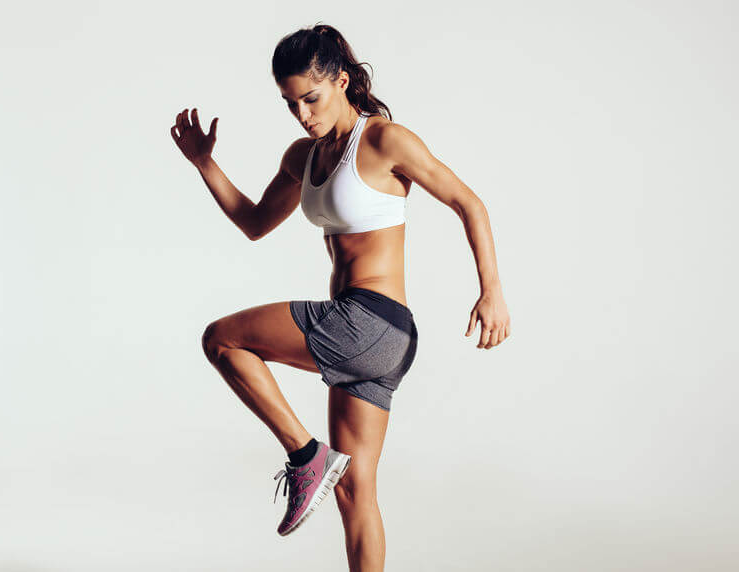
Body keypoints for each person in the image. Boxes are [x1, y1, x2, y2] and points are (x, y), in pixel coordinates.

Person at [170, 22, 510, 571]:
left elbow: (470, 203)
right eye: (290, 103)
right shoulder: (303, 157)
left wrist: (491, 291)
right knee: (354, 494)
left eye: (312, 97)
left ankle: (306, 457)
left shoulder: (383, 140)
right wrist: (205, 164)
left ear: (343, 82)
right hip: (374, 340)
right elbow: (255, 222)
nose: (303, 114)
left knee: (221, 338)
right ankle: (320, 471)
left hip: (371, 322)